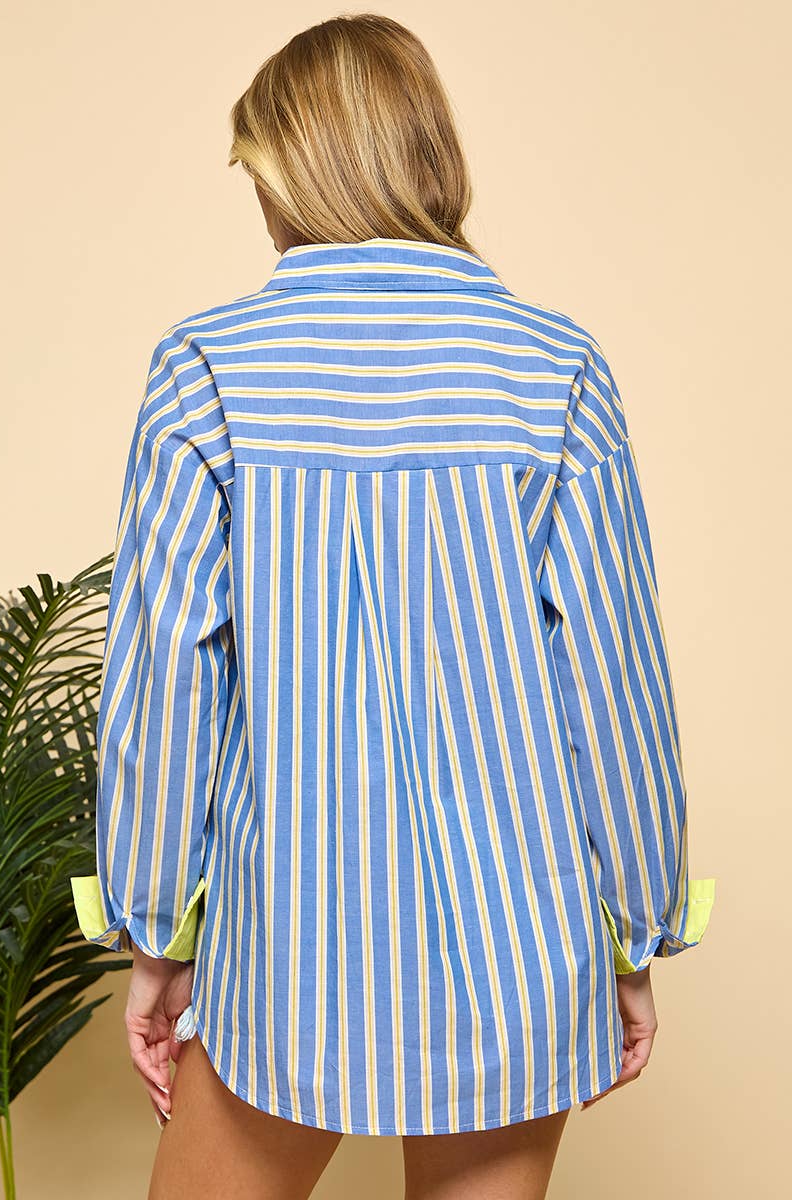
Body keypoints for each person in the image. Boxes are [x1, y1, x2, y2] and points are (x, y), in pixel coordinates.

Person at [69, 12, 715, 1199]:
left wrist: (152, 935)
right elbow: (615, 686)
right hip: (521, 956)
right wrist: (636, 933)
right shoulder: (554, 368)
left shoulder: (207, 369)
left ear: (294, 173)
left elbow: (164, 682)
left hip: (286, 960)